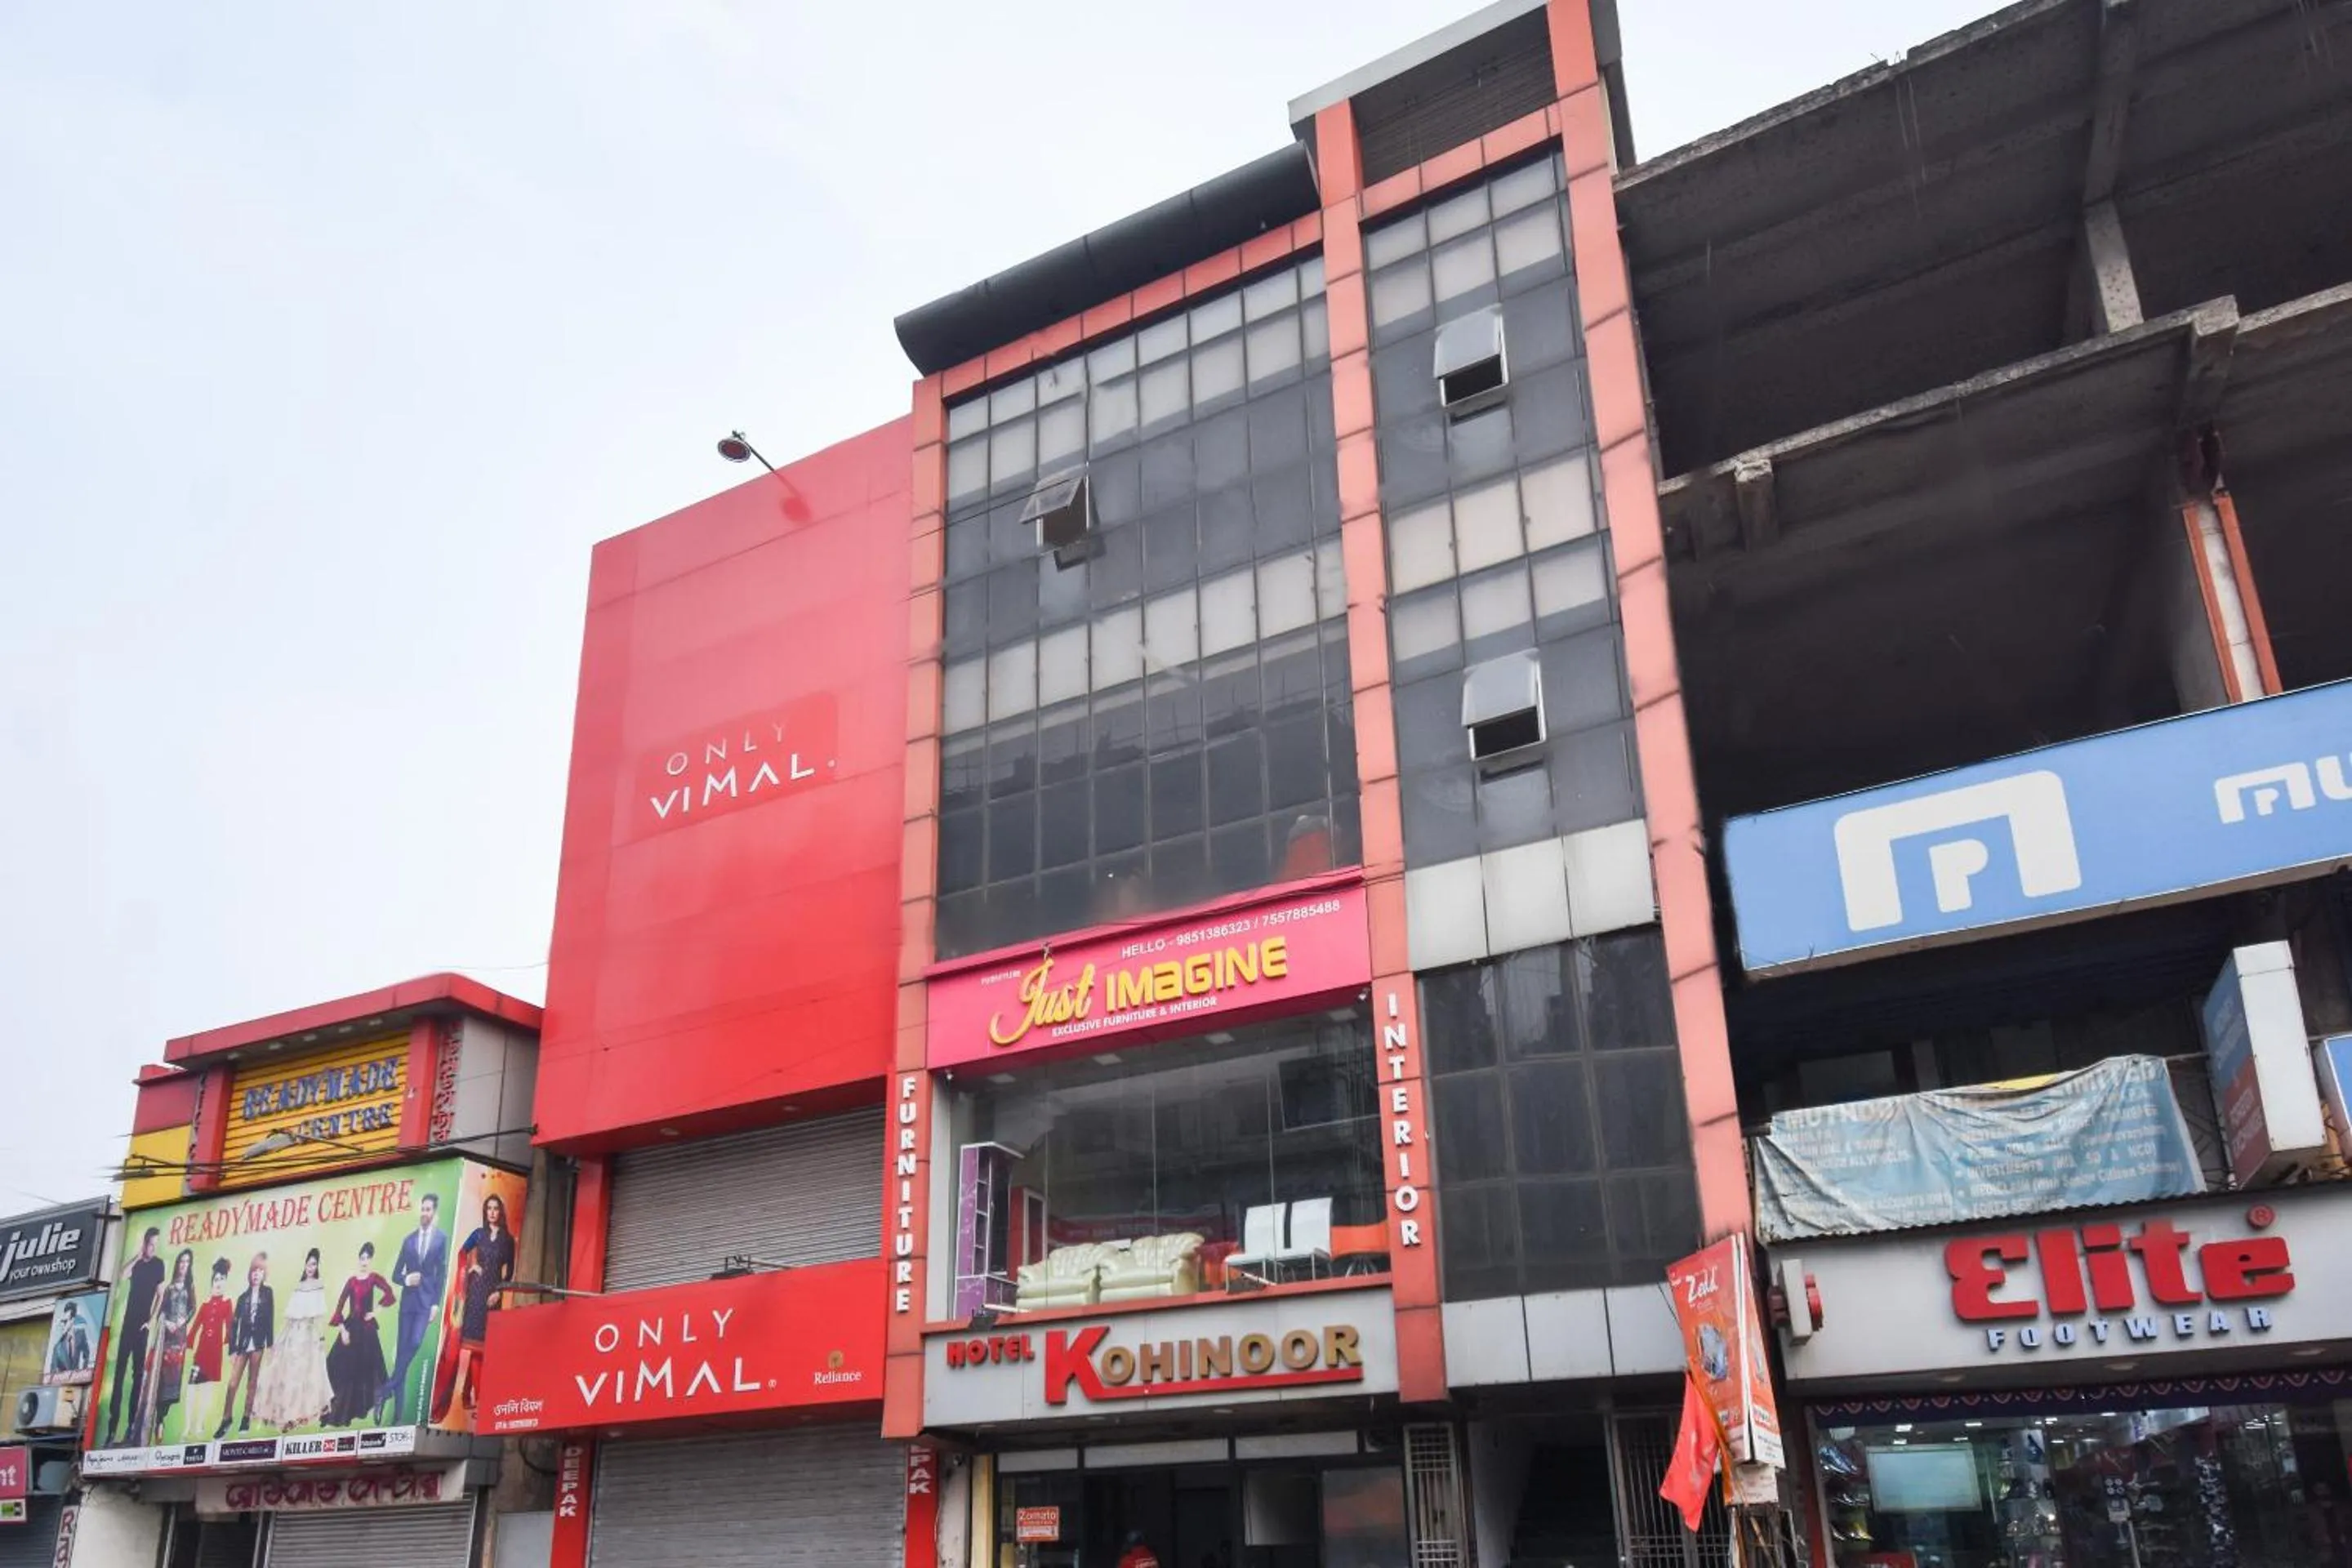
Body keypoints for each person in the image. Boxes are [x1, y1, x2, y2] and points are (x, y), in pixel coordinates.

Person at [432, 1193, 515, 1424]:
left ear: (501, 1212)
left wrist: (499, 1290)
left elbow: (509, 1272)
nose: (492, 1212)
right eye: (488, 1208)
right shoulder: (478, 1235)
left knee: (485, 1349)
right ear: (485, 1211)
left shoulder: (508, 1240)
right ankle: (479, 1400)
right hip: (475, 1294)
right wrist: (472, 1266)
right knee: (475, 1349)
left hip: (493, 1295)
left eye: (496, 1208)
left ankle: (469, 1394)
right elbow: (461, 1253)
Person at [376, 1194, 447, 1423]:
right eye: (422, 1209)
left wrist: (436, 1303)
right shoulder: (408, 1241)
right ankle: (397, 1417)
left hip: (426, 1303)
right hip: (407, 1304)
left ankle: (384, 1390)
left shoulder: (441, 1239)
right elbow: (396, 1273)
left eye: (428, 1210)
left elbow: (442, 1274)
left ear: (434, 1213)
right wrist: (407, 1279)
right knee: (402, 1363)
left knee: (415, 1343)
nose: (424, 1213)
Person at [252, 1248, 332, 1431]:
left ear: (317, 1266)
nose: (310, 1267)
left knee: (303, 1377)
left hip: (308, 1337)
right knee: (286, 1375)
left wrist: (320, 1338)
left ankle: (297, 1416)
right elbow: (289, 1316)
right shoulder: (298, 1286)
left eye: (314, 1264)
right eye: (308, 1263)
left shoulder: (319, 1285)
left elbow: (318, 1315)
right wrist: (278, 1340)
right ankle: (287, 1416)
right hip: (292, 1334)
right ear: (304, 1264)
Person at [103, 1227, 164, 1446]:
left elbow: (160, 1294)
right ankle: (112, 1428)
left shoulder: (159, 1265)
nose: (152, 1248)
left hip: (142, 1328)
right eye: (150, 1244)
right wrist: (137, 1256)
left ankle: (130, 1426)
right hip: (127, 1325)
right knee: (119, 1375)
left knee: (137, 1376)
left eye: (155, 1244)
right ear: (144, 1243)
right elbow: (121, 1275)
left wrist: (151, 1319)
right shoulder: (137, 1263)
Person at [327, 1243, 395, 1426]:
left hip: (367, 1331)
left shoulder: (373, 1278)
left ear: (371, 1260)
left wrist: (375, 1312)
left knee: (368, 1370)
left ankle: (370, 1405)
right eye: (362, 1258)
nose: (364, 1261)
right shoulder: (351, 1281)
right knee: (338, 1366)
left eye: (367, 1258)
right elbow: (340, 1306)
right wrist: (342, 1330)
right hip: (351, 1328)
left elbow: (389, 1293)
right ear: (359, 1259)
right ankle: (339, 1409)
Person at [138, 1250, 197, 1442]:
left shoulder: (190, 1286)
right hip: (165, 1336)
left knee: (173, 1380)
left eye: (187, 1262)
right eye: (181, 1262)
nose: (183, 1265)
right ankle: (156, 1420)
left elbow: (192, 1308)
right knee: (159, 1378)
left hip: (179, 1338)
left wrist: (182, 1321)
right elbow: (161, 1310)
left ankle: (162, 1418)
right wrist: (167, 1322)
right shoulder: (169, 1287)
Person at [216, 1253, 274, 1438]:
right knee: (233, 1383)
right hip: (242, 1345)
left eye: (260, 1271)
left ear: (264, 1274)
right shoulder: (243, 1298)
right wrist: (232, 1350)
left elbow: (270, 1319)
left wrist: (270, 1345)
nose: (256, 1274)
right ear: (250, 1274)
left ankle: (246, 1417)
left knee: (252, 1383)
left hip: (258, 1345)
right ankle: (226, 1419)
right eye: (254, 1271)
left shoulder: (268, 1293)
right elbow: (233, 1325)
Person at [182, 1260, 235, 1440]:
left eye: (222, 1279)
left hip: (215, 1354)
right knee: (191, 1388)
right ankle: (188, 1425)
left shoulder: (227, 1303)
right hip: (201, 1354)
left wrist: (232, 1348)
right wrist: (188, 1343)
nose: (219, 1283)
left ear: (226, 1281)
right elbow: (196, 1326)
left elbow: (230, 1326)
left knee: (206, 1391)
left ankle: (199, 1425)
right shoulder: (205, 1305)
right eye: (216, 1279)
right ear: (212, 1282)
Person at [47, 1300, 94, 1380]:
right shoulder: (58, 1347)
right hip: (65, 1382)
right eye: (64, 1322)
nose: (66, 1324)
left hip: (79, 1379)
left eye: (70, 1319)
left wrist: (83, 1371)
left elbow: (87, 1353)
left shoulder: (80, 1334)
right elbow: (53, 1371)